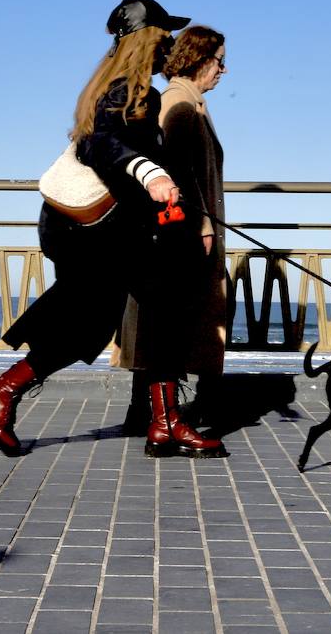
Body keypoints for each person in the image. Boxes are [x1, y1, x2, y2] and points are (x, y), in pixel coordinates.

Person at [0, 0, 228, 459]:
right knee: (91, 320)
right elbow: (98, 144)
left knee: (159, 305)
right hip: (95, 231)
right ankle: (4, 390)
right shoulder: (129, 89)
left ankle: (164, 422)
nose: (169, 44)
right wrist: (151, 173)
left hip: (98, 228)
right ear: (148, 38)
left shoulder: (113, 84)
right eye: (164, 35)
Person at [114, 25, 228, 434]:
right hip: (186, 230)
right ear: (199, 59)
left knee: (170, 318)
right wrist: (200, 224)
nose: (224, 70)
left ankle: (149, 410)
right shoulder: (179, 102)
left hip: (189, 226)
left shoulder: (186, 100)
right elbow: (177, 168)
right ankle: (173, 412)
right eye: (219, 61)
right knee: (178, 318)